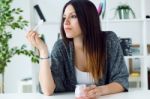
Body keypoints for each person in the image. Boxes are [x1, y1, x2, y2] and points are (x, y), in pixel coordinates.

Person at [26, 0, 129, 98]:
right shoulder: (61, 47)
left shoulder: (109, 41)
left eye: (73, 16)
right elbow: (47, 90)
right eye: (64, 17)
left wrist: (100, 91)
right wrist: (43, 51)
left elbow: (121, 81)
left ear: (88, 19)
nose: (65, 22)